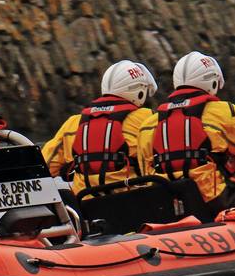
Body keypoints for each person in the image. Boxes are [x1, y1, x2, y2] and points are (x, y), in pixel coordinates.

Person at [137, 51, 235, 218]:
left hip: (167, 205)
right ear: (211, 81)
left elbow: (145, 172)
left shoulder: (148, 124)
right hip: (215, 200)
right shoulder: (223, 111)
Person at [41, 60, 157, 195]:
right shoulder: (147, 119)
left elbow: (43, 168)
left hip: (86, 207)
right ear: (139, 91)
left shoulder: (73, 124)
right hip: (135, 203)